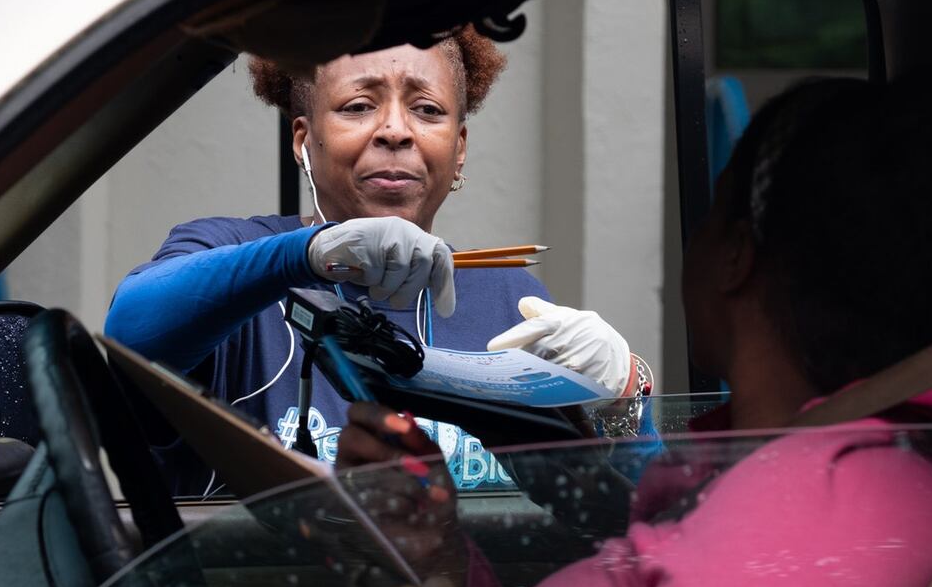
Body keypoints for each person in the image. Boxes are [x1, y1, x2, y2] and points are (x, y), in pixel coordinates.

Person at [335, 70, 932, 587]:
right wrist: (441, 563)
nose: (394, 131)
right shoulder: (810, 469)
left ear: (736, 256)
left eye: (712, 210)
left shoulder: (816, 506)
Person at [104, 29, 638, 497]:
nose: (395, 131)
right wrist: (306, 256)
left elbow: (629, 521)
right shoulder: (233, 257)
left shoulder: (512, 301)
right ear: (303, 139)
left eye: (428, 110)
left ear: (459, 149)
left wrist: (625, 394)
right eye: (358, 106)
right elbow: (129, 329)